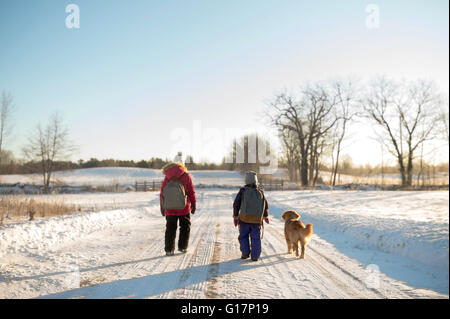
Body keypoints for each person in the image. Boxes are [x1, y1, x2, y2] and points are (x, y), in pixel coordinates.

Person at [160, 162, 196, 256]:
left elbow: (162, 192)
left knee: (170, 228)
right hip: (183, 207)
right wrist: (193, 203)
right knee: (185, 227)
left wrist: (162, 206)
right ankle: (183, 247)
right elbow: (191, 191)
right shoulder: (186, 176)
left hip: (169, 207)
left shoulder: (167, 176)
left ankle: (169, 250)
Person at [233, 171, 269, 261]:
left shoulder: (243, 191)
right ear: (255, 181)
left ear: (246, 181)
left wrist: (235, 216)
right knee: (255, 238)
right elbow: (265, 204)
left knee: (243, 236)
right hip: (256, 220)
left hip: (244, 219)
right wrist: (265, 216)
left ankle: (245, 253)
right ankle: (255, 256)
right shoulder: (260, 192)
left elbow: (236, 204)